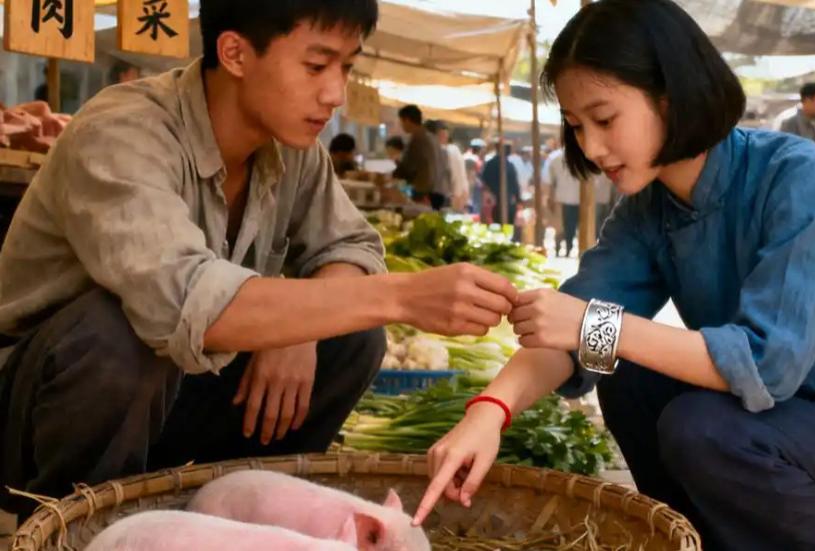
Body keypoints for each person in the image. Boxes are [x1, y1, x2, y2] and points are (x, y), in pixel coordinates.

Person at [412, 1, 815, 549]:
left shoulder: (800, 178)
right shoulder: (648, 212)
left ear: (671, 94)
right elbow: (575, 333)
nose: (591, 146)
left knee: (701, 427)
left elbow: (766, 364)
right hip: (802, 433)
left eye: (605, 118)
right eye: (576, 126)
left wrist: (593, 324)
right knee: (627, 374)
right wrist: (490, 411)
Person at [0, 0, 519, 520]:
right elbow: (184, 304)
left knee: (353, 335)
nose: (335, 94)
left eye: (347, 67)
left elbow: (350, 250)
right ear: (234, 53)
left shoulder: (294, 148)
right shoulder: (121, 132)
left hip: (173, 394)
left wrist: (301, 329)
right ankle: (75, 526)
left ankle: (238, 515)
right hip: (40, 416)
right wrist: (401, 296)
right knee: (118, 334)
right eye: (316, 66)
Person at [392, 104, 443, 209]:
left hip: (423, 192)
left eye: (401, 122)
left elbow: (407, 167)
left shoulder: (418, 138)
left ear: (407, 120)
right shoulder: (431, 137)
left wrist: (391, 176)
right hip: (437, 190)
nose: (402, 126)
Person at [542, 147, 580, 257]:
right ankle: (568, 248)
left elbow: (549, 181)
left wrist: (549, 197)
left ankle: (560, 248)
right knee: (571, 226)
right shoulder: (582, 156)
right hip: (577, 198)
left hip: (561, 197)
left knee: (561, 226)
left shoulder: (554, 157)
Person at [481, 143, 521, 228]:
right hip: (498, 203)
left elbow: (515, 185)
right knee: (502, 226)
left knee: (502, 226)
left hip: (504, 202)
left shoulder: (509, 165)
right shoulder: (506, 165)